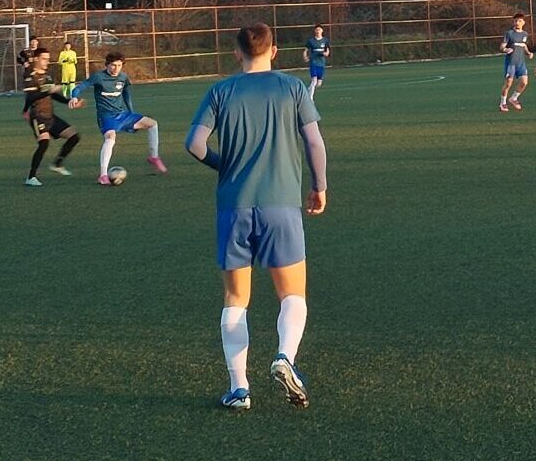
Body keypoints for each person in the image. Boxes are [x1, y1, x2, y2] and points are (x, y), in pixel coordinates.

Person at [185, 24, 329, 411]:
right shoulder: (292, 88)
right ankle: (285, 356)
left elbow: (194, 144)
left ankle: (239, 389)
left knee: (236, 298)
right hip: (281, 204)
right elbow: (314, 142)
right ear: (274, 51)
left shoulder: (220, 91)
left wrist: (225, 165)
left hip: (234, 205)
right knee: (292, 294)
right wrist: (319, 186)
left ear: (237, 53)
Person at [83, 51, 165, 183]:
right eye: (113, 65)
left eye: (119, 65)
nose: (116, 68)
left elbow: (126, 93)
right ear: (107, 65)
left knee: (152, 124)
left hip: (123, 115)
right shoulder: (98, 77)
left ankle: (154, 157)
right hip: (106, 117)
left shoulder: (123, 77)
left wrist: (131, 112)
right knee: (110, 138)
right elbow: (81, 86)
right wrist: (74, 96)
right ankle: (103, 175)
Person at [22, 48, 84, 184]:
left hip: (50, 116)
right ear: (36, 59)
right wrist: (48, 91)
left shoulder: (48, 76)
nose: (47, 62)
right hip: (38, 116)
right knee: (44, 143)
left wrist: (69, 102)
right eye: (44, 59)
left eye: (48, 59)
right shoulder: (30, 77)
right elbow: (31, 97)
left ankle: (57, 164)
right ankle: (31, 177)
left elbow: (53, 94)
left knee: (74, 136)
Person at [498, 13, 532, 112]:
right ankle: (503, 103)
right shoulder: (509, 34)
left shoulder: (525, 34)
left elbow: (523, 45)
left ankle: (513, 98)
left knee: (524, 82)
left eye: (519, 21)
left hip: (520, 63)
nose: (517, 23)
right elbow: (502, 46)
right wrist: (505, 49)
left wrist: (528, 53)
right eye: (515, 21)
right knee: (508, 83)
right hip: (511, 63)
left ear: (523, 22)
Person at [304, 24, 331, 95]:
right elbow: (305, 50)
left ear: (322, 31)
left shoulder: (325, 40)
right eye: (316, 30)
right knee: (314, 80)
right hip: (313, 62)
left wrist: (326, 53)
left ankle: (308, 89)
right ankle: (310, 98)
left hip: (321, 63)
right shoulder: (311, 41)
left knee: (318, 83)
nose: (318, 31)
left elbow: (327, 50)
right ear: (315, 31)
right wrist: (305, 57)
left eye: (319, 30)